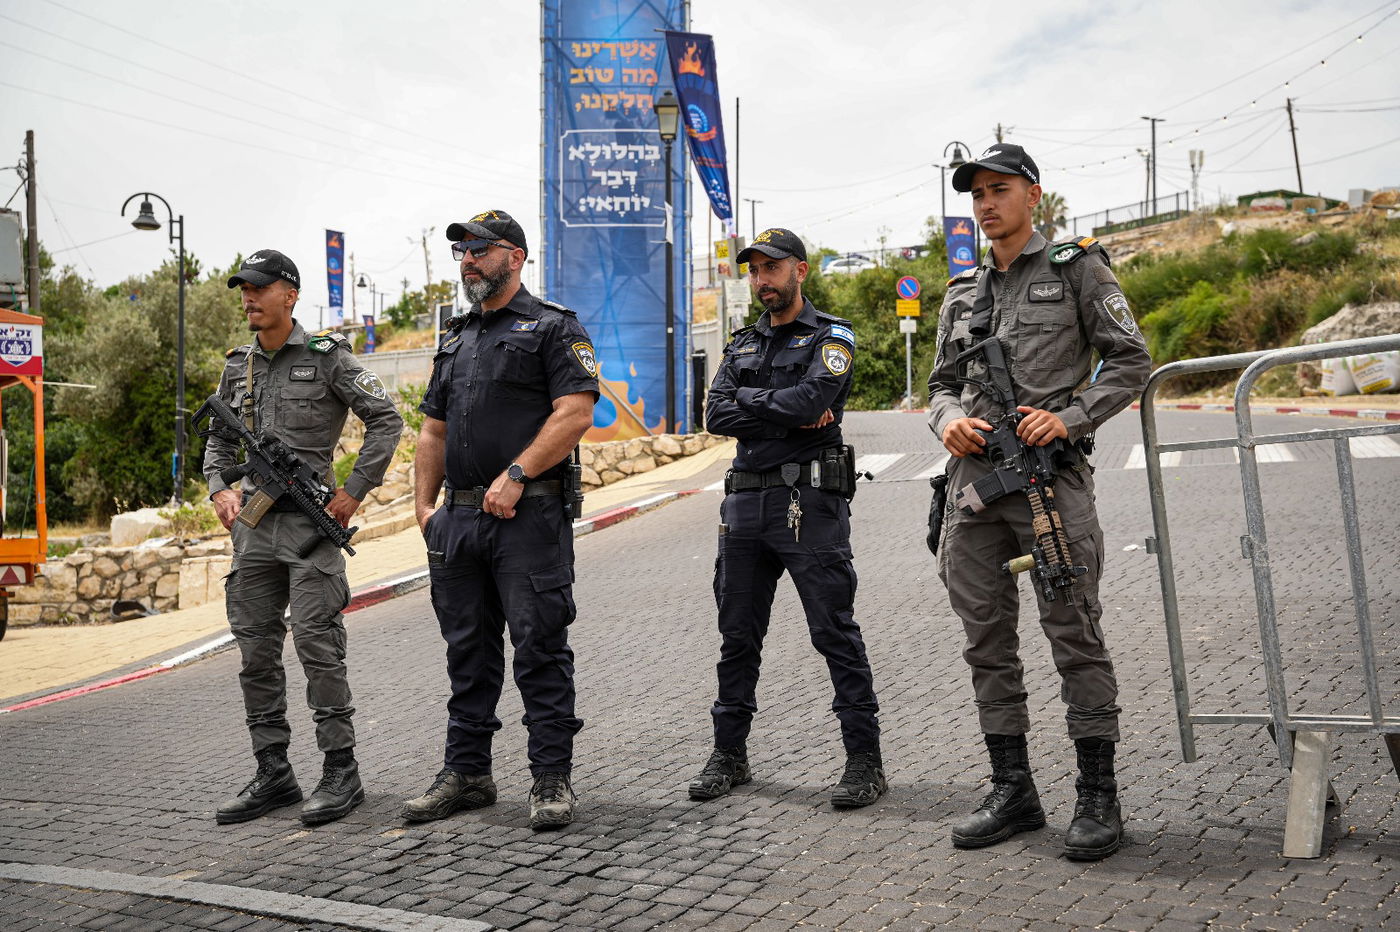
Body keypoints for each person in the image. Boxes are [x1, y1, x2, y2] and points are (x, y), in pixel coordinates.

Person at [927, 144, 1151, 860]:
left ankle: (1097, 798)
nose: (986, 204)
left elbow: (1131, 359)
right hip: (974, 491)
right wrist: (946, 422)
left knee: (1074, 634)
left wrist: (1072, 416)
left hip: (1050, 485)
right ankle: (1013, 790)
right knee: (985, 643)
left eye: (1000, 190)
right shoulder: (961, 292)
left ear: (1035, 197)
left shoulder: (1078, 268)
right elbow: (938, 384)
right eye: (977, 195)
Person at [401, 210, 597, 831]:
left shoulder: (552, 328)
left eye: (480, 251)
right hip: (457, 524)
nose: (467, 261)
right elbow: (432, 427)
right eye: (461, 252)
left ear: (514, 256)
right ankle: (466, 773)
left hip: (528, 519)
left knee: (539, 646)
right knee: (467, 653)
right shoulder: (456, 337)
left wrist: (516, 475)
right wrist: (424, 510)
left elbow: (575, 412)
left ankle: (549, 777)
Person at [206, 249, 403, 826]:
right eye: (243, 288)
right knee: (255, 654)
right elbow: (218, 441)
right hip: (252, 531)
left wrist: (353, 493)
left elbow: (386, 420)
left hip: (311, 529)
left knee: (318, 647)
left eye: (260, 288)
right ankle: (274, 772)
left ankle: (341, 771)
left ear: (289, 294)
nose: (249, 298)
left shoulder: (328, 357)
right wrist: (220, 487)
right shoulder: (236, 366)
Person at [692, 227, 885, 809]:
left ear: (800, 271)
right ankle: (730, 753)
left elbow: (812, 400)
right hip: (745, 504)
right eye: (754, 270)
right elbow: (714, 414)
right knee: (736, 637)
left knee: (834, 632)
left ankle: (864, 762)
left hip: (810, 505)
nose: (761, 280)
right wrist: (781, 412)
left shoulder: (832, 337)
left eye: (772, 268)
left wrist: (762, 407)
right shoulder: (741, 341)